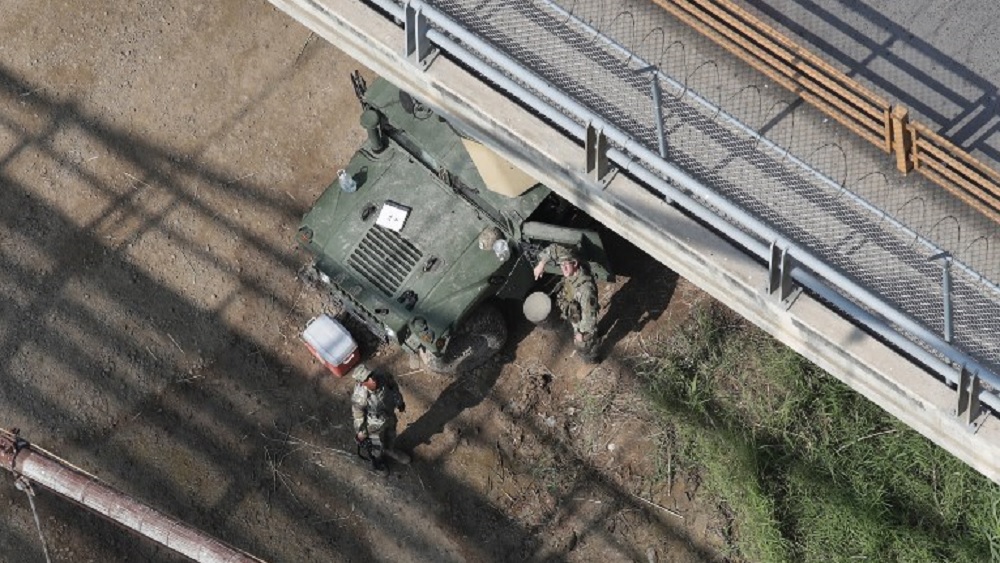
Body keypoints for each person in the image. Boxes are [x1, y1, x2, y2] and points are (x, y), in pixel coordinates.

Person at [533, 244, 600, 363]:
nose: (563, 269)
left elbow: (589, 319)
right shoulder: (571, 268)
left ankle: (590, 357)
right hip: (575, 309)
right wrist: (541, 264)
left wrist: (581, 334)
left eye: (566, 265)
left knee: (582, 344)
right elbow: (554, 249)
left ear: (575, 263)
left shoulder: (585, 290)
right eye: (561, 265)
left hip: (583, 319)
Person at [350, 363, 410, 475]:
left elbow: (394, 387)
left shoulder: (383, 376)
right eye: (367, 379)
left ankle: (390, 450)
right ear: (362, 383)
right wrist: (361, 433)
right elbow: (358, 416)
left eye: (371, 375)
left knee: (391, 434)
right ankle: (378, 462)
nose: (372, 379)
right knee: (376, 445)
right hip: (373, 425)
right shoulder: (360, 396)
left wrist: (399, 402)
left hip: (389, 415)